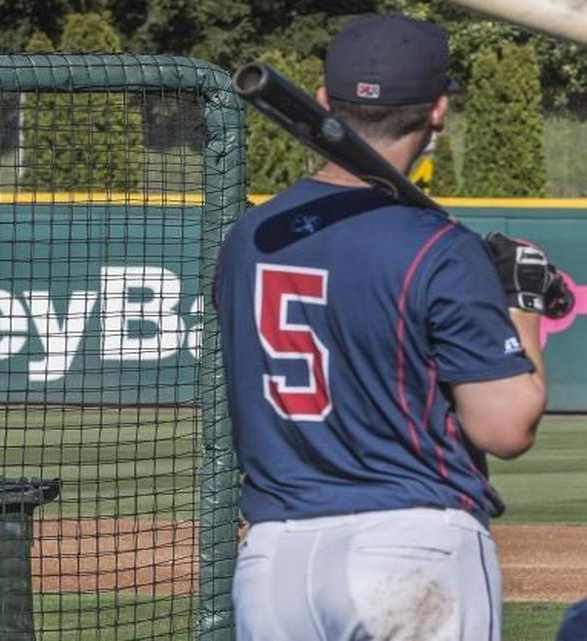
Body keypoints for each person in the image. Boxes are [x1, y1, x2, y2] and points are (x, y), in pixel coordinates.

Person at [215, 14, 570, 641]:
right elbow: (504, 426)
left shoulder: (251, 237)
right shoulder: (438, 247)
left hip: (274, 562)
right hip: (410, 548)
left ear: (323, 102)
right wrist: (521, 304)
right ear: (437, 111)